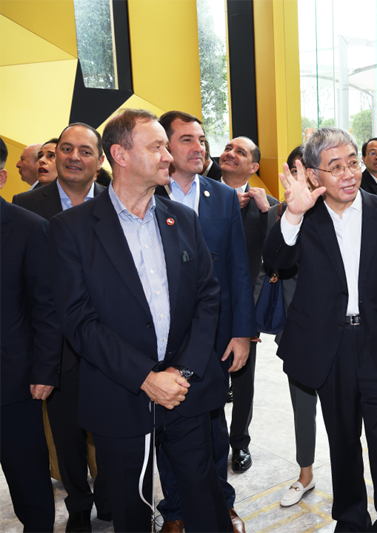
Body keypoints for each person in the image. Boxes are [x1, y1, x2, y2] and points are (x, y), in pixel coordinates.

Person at [48, 108, 232, 533]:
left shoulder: (182, 219)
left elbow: (208, 298)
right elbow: (79, 321)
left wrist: (181, 372)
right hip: (119, 395)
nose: (168, 155)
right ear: (121, 155)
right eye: (157, 147)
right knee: (131, 511)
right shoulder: (71, 229)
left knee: (205, 500)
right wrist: (146, 377)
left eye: (167, 147)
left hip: (186, 390)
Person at [263, 127, 377, 532]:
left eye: (352, 162)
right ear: (313, 175)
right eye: (335, 167)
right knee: (343, 440)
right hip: (329, 348)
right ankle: (351, 520)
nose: (349, 173)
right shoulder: (303, 215)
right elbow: (276, 260)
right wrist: (293, 214)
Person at [155, 110, 254, 533]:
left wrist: (243, 332)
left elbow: (238, 268)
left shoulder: (223, 196)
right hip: (164, 335)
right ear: (164, 146)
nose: (199, 148)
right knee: (168, 421)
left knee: (213, 423)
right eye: (187, 140)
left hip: (215, 333)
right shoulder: (147, 194)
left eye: (201, 139)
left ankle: (220, 501)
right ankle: (175, 509)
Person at [13, 124, 112, 532]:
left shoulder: (119, 199)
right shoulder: (26, 205)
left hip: (111, 343)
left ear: (100, 160)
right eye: (65, 149)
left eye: (85, 151)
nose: (73, 157)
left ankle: (110, 497)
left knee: (112, 432)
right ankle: (79, 506)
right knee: (66, 440)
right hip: (57, 347)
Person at [0, 136, 60, 533]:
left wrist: (44, 370)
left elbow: (46, 306)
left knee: (28, 480)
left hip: (13, 381)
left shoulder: (29, 228)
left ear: (1, 177)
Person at [219, 135, 278, 473]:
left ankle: (239, 443)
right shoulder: (199, 196)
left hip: (246, 308)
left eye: (240, 152)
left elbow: (277, 255)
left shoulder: (266, 204)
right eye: (228, 148)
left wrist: (267, 212)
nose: (230, 153)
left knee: (243, 382)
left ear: (253, 166)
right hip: (205, 307)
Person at [265, 146, 320, 507]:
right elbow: (271, 264)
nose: (302, 178)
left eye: (308, 170)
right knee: (302, 406)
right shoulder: (279, 214)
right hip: (297, 330)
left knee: (347, 412)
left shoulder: (341, 210)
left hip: (340, 329)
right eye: (295, 171)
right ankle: (305, 473)